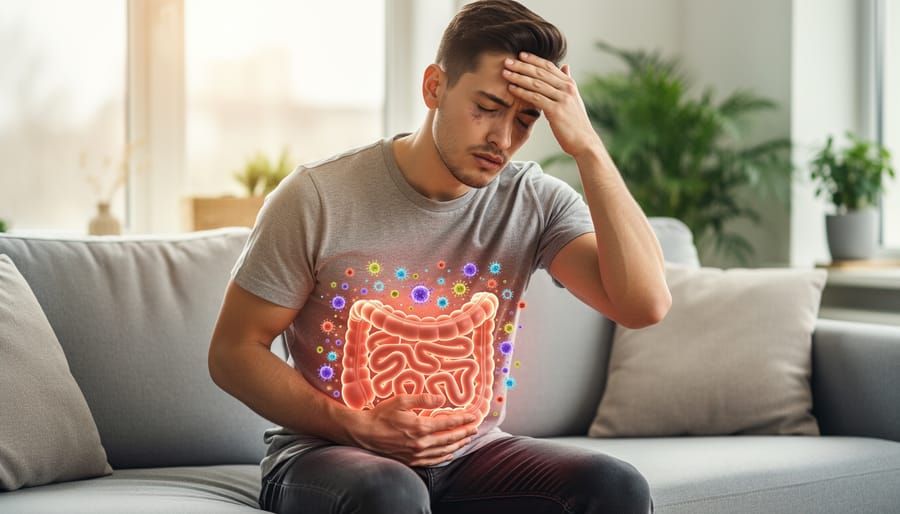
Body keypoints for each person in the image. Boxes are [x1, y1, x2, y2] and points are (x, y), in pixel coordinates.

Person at [208, 1, 671, 512]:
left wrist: (588, 148)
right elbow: (233, 352)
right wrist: (356, 425)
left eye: (525, 119)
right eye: (487, 107)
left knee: (616, 486)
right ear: (434, 87)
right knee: (392, 492)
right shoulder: (317, 196)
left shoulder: (532, 200)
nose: (502, 138)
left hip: (471, 456)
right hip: (330, 454)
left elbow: (645, 304)